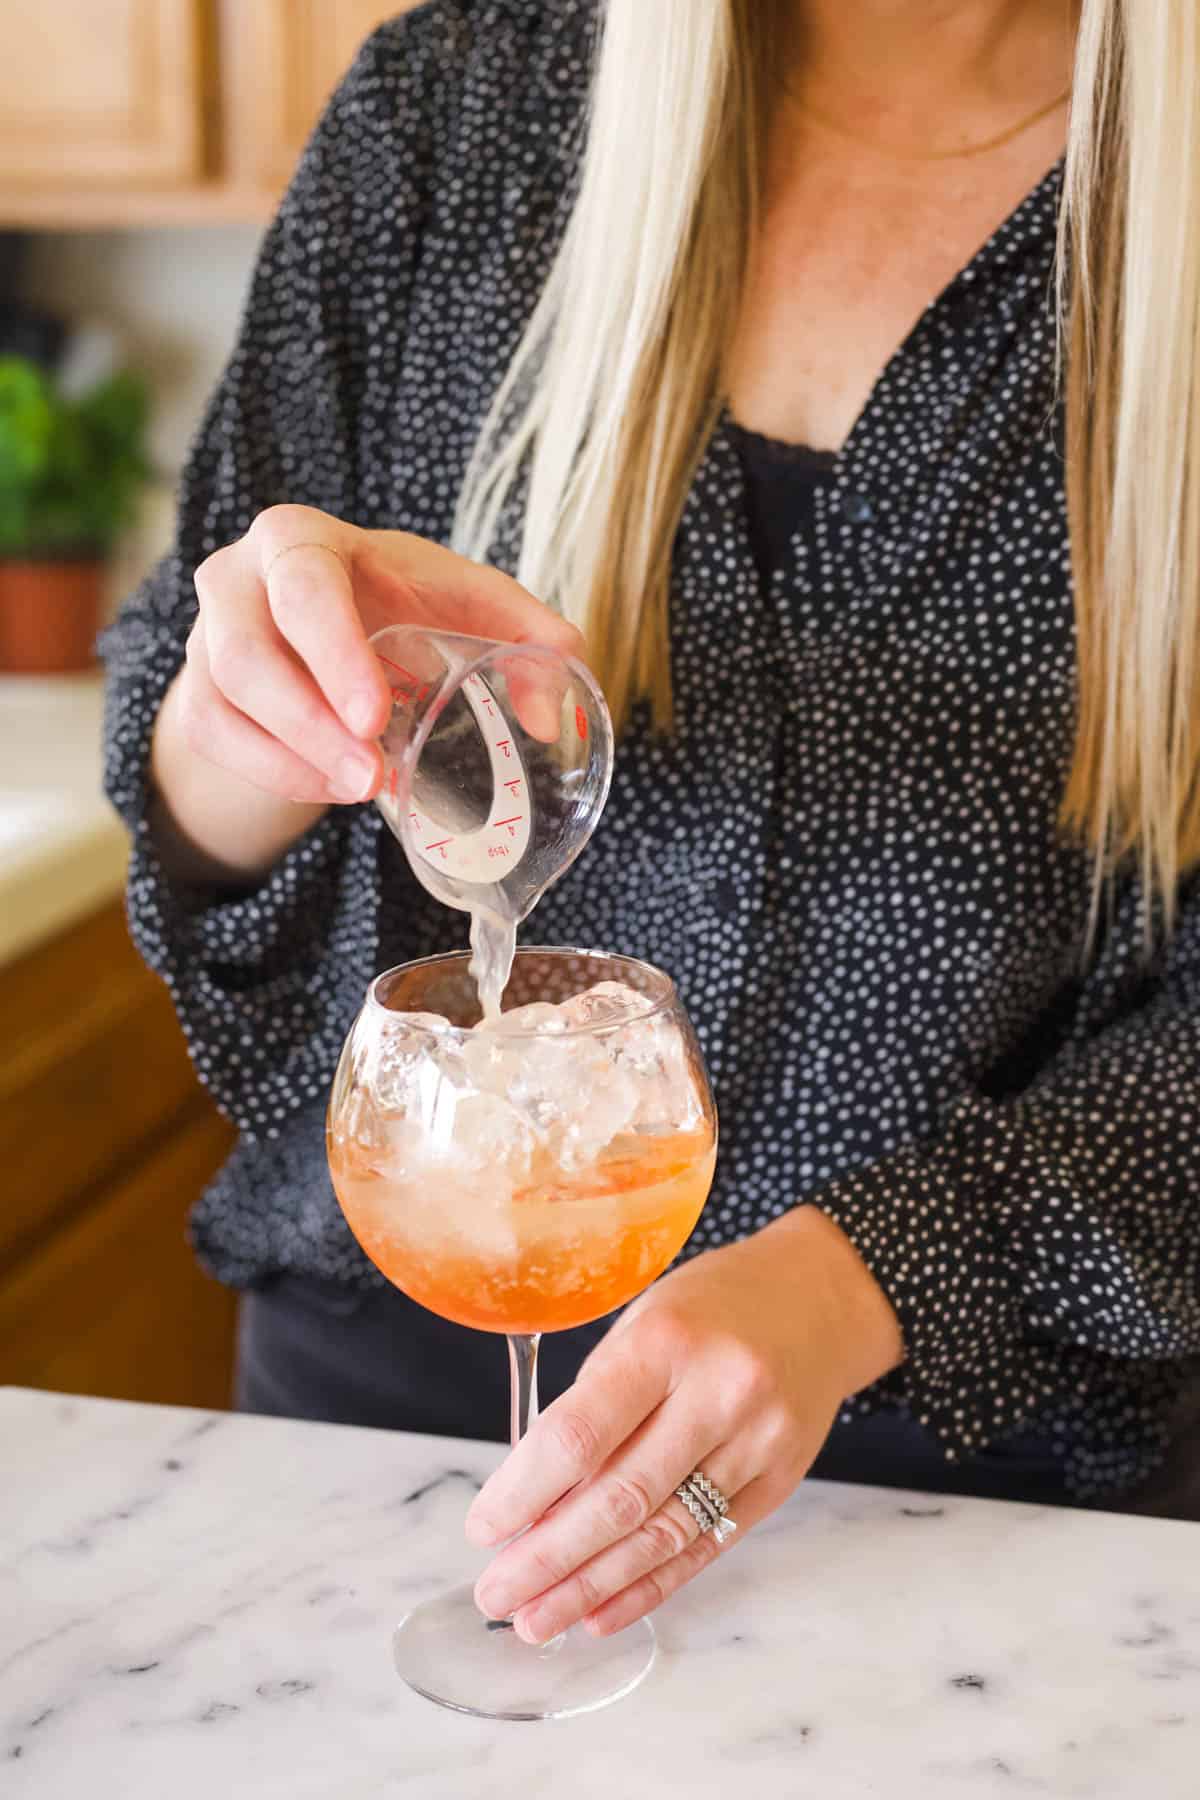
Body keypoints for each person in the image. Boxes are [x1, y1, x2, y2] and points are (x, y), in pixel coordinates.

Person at [102, 0, 1200, 1650]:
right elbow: (191, 762)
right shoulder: (456, 112)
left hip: (976, 1510)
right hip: (374, 1454)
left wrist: (869, 1280)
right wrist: (247, 719)